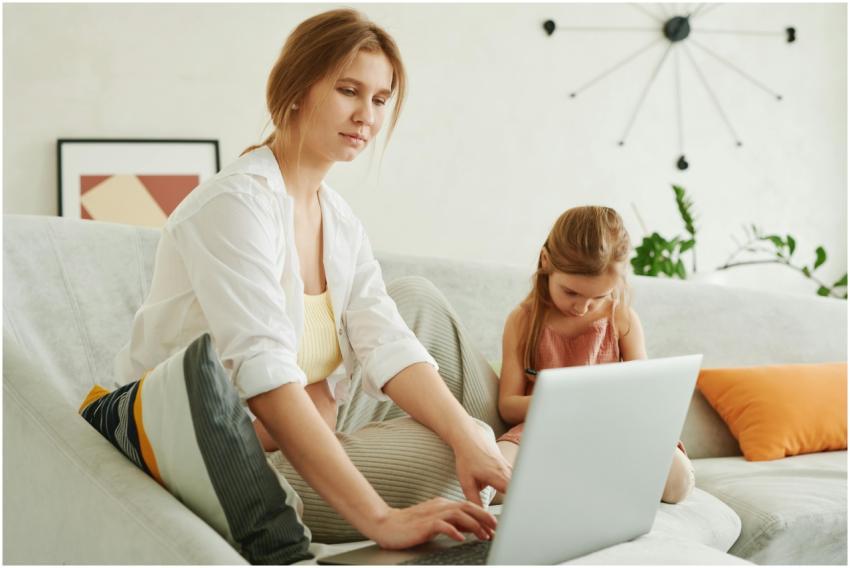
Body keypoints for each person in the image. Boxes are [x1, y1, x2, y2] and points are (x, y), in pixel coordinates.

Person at [113, 8, 510, 550]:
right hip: (230, 456)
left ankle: (510, 445)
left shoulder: (337, 218)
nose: (366, 115)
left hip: (303, 426)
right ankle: (524, 449)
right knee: (446, 451)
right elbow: (268, 379)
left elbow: (386, 339)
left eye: (379, 99)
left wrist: (469, 437)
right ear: (297, 87)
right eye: (349, 90)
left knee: (427, 328)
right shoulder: (236, 206)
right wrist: (381, 520)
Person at [494, 206, 695, 504]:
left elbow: (643, 392)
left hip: (611, 430)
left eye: (599, 296)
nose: (582, 307)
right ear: (546, 261)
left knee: (679, 482)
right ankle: (585, 479)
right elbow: (508, 406)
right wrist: (565, 400)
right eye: (571, 292)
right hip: (545, 430)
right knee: (494, 484)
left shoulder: (622, 318)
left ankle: (581, 478)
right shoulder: (522, 321)